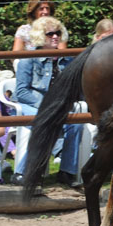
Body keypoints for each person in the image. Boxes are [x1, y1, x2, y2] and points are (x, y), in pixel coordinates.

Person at [11, 16, 83, 187]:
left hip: (57, 107)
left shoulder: (68, 60)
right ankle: (23, 172)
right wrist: (48, 105)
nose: (55, 37)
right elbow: (21, 92)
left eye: (58, 33)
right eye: (50, 33)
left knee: (77, 124)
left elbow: (74, 89)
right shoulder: (28, 59)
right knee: (47, 122)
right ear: (39, 36)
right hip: (32, 105)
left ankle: (66, 173)